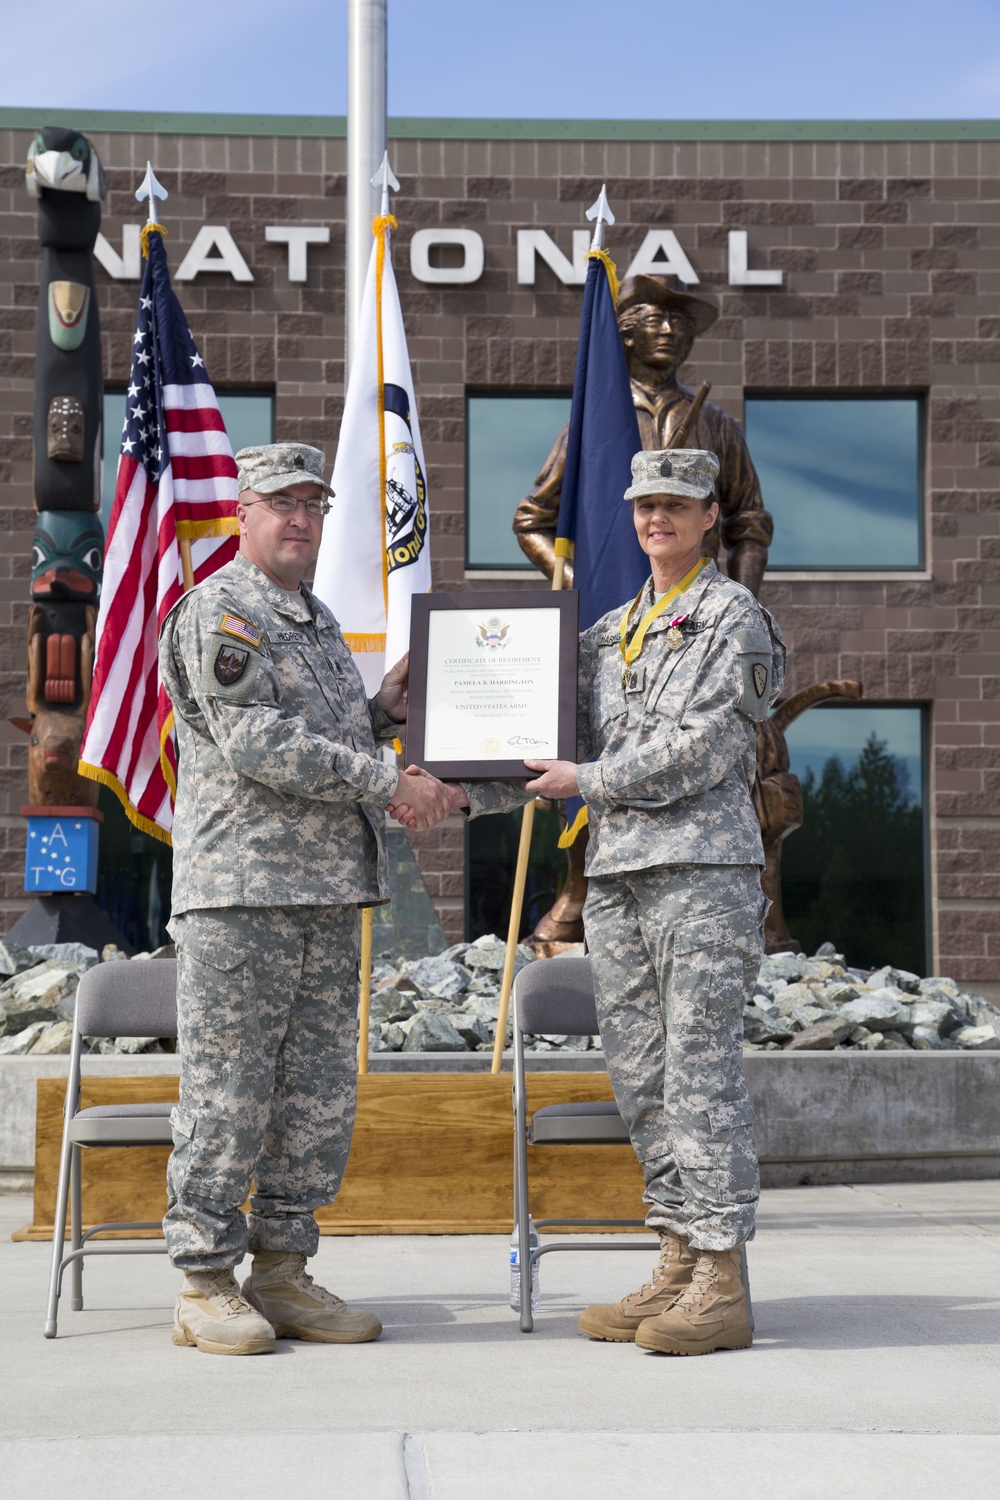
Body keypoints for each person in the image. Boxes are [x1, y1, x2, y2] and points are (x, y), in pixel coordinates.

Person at [401, 446, 784, 1356]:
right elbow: (540, 745)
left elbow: (710, 748)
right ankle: (678, 1255)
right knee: (644, 1081)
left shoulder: (734, 619)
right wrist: (454, 788)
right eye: (645, 505)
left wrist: (591, 777)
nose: (658, 520)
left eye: (677, 506)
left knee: (699, 1079)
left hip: (701, 880)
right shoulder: (609, 632)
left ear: (707, 519)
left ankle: (724, 1278)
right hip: (616, 881)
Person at [158, 442, 452, 1356]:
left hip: (325, 895)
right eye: (281, 503)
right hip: (242, 895)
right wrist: (388, 778)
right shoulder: (222, 610)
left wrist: (385, 711)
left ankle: (281, 1271)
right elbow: (259, 744)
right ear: (243, 514)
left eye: (313, 505)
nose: (300, 519)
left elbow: (320, 732)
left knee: (314, 1098)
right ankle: (203, 1280)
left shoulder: (316, 622)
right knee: (229, 1090)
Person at [513, 273, 773, 597]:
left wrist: (740, 601)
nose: (668, 331)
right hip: (615, 613)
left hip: (698, 610)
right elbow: (532, 521)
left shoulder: (715, 422)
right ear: (628, 333)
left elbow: (750, 523)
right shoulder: (593, 426)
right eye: (656, 320)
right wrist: (582, 588)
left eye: (678, 322)